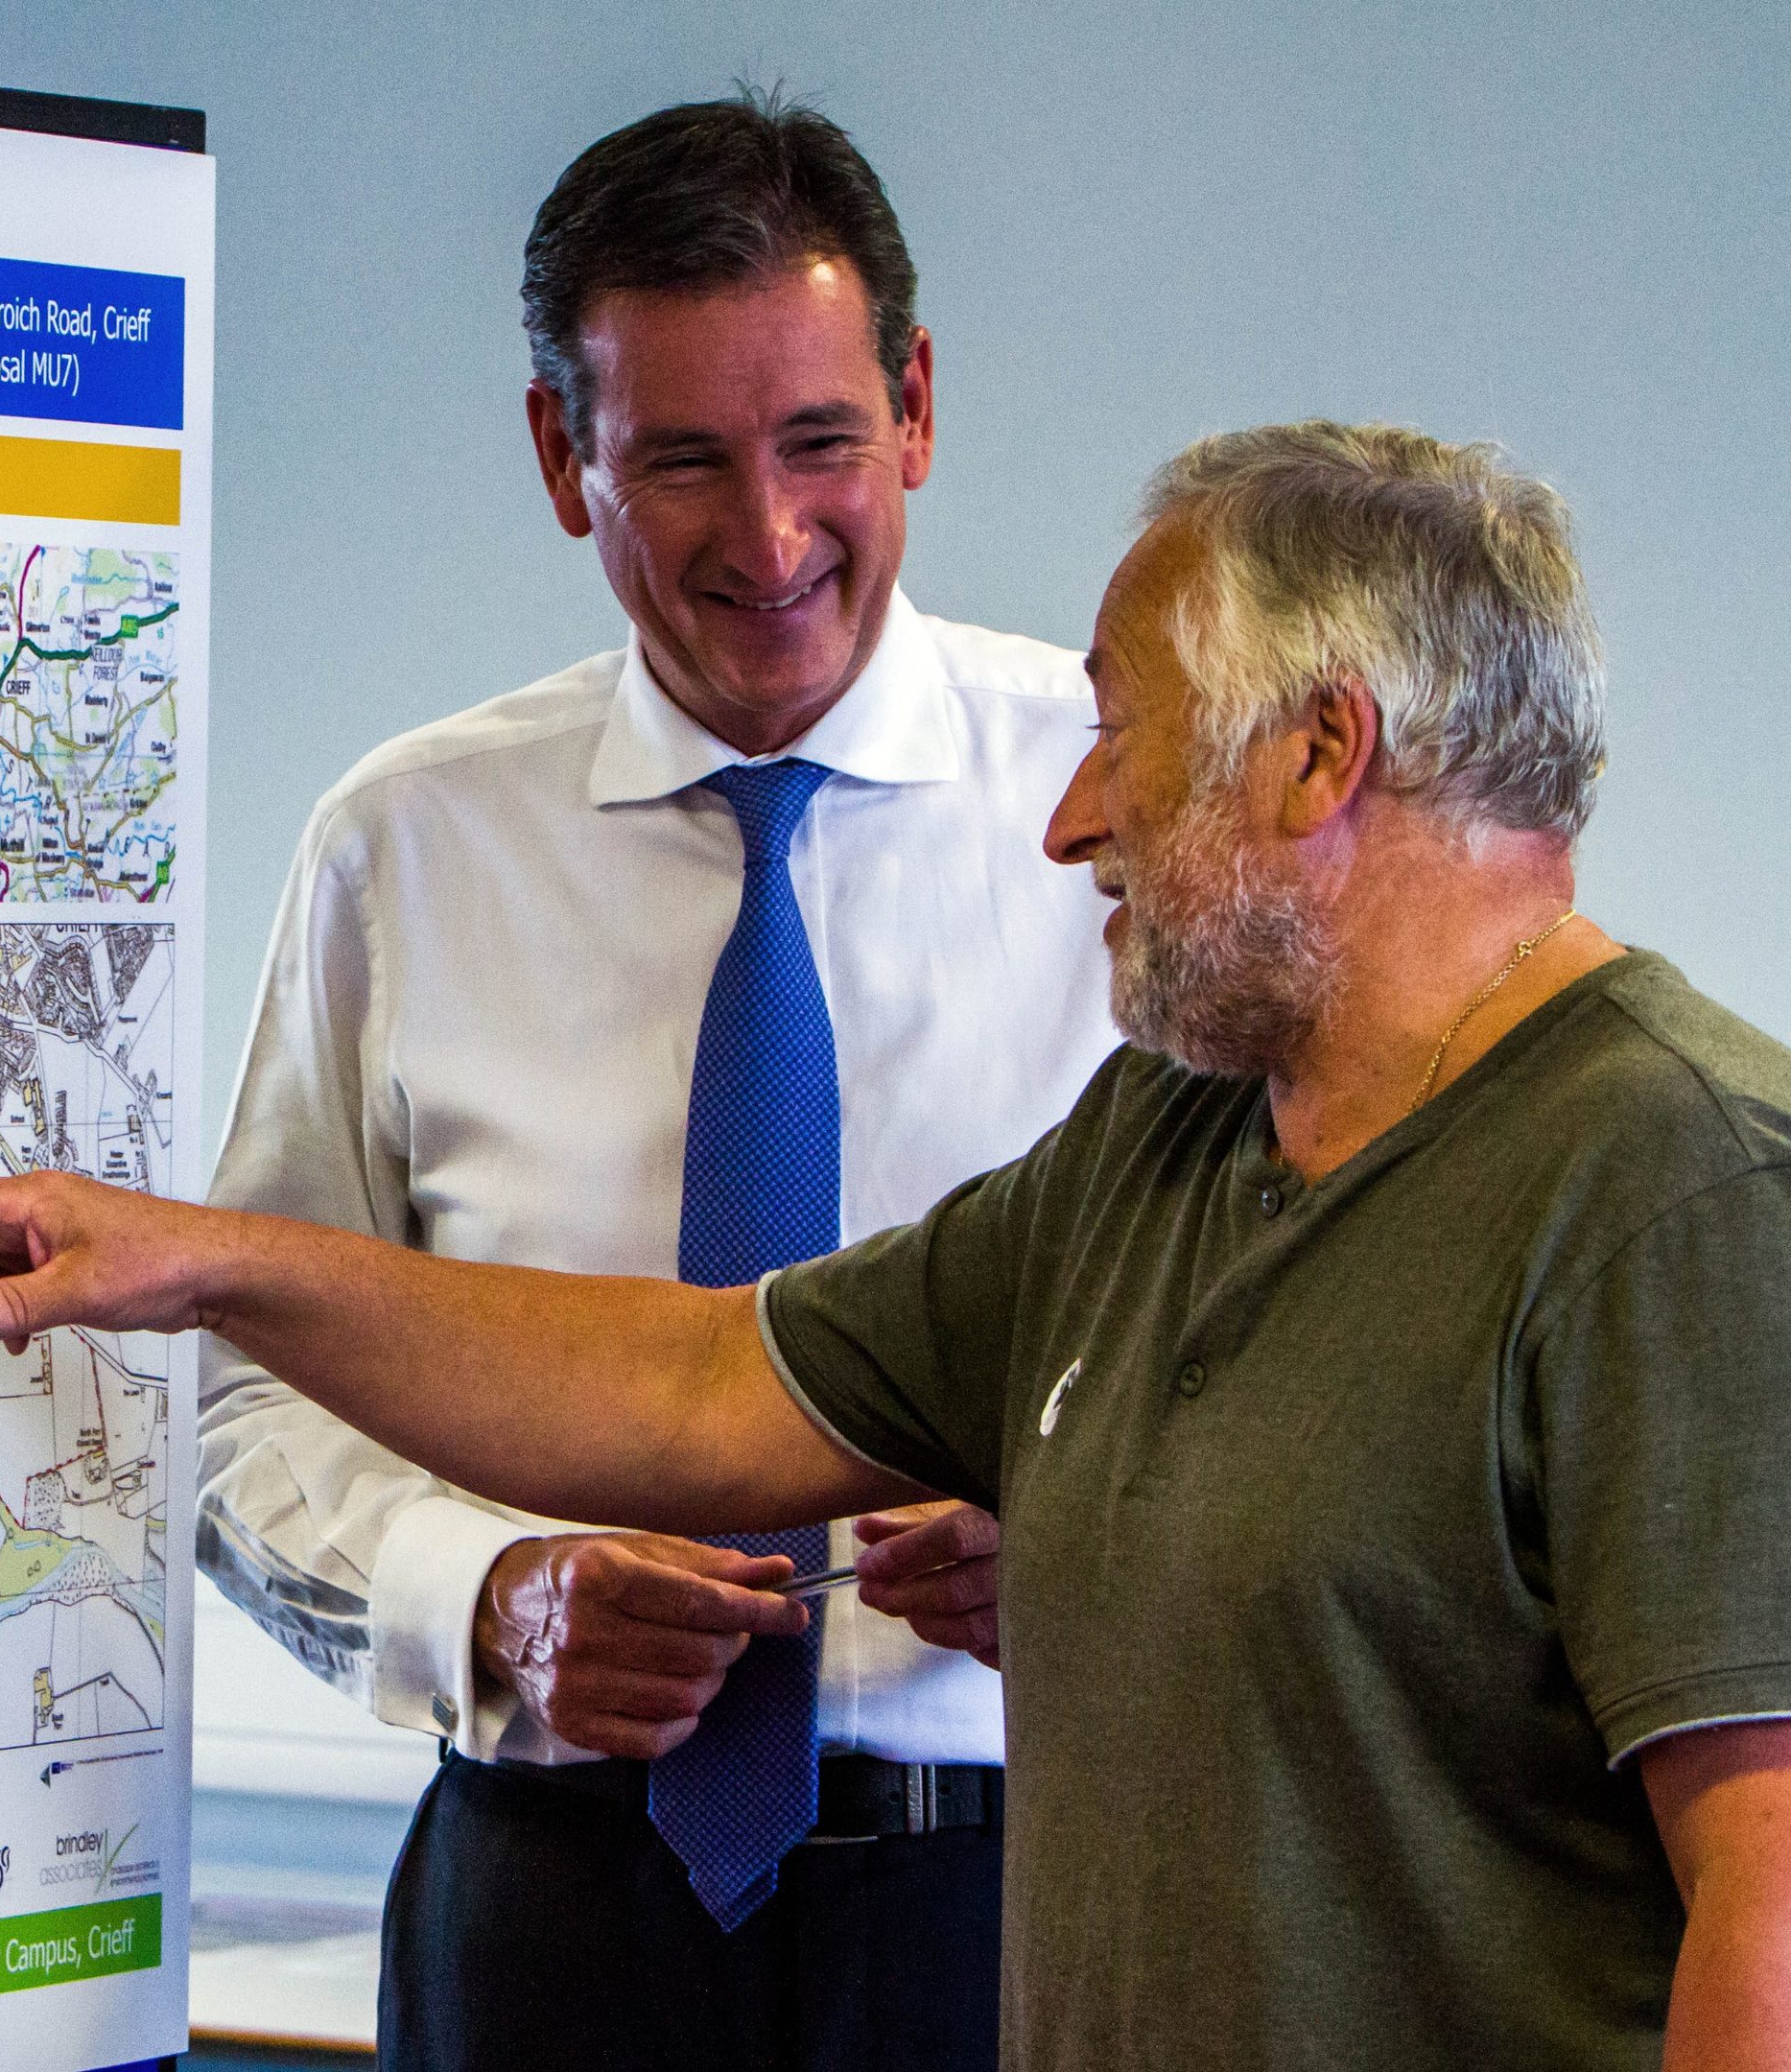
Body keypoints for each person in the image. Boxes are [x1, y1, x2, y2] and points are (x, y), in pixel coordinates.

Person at [0, 422, 1791, 2072]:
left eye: (1127, 735)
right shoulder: (1158, 1142)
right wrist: (200, 1262)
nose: (1072, 815)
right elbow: (699, 1378)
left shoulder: (1687, 1190)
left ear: (1318, 755)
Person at [194, 96, 1110, 2069]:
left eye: (820, 445)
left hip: (1032, 1902)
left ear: (918, 408)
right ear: (559, 455)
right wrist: (486, 1595)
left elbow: (1319, 1363)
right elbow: (233, 1391)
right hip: (548, 1900)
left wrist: (1112, 1554)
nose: (766, 540)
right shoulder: (406, 847)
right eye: (681, 460)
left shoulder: (1129, 821)